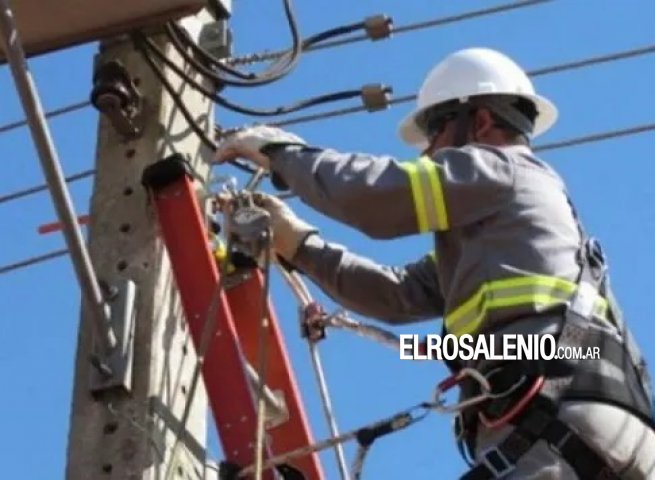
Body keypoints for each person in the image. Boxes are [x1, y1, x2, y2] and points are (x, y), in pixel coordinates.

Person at [215, 48, 655, 479]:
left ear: (480, 121)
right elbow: (395, 293)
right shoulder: (500, 241)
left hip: (552, 418)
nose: (428, 154)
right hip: (600, 427)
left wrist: (285, 154)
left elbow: (376, 195)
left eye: (435, 133)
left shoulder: (502, 169)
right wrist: (301, 245)